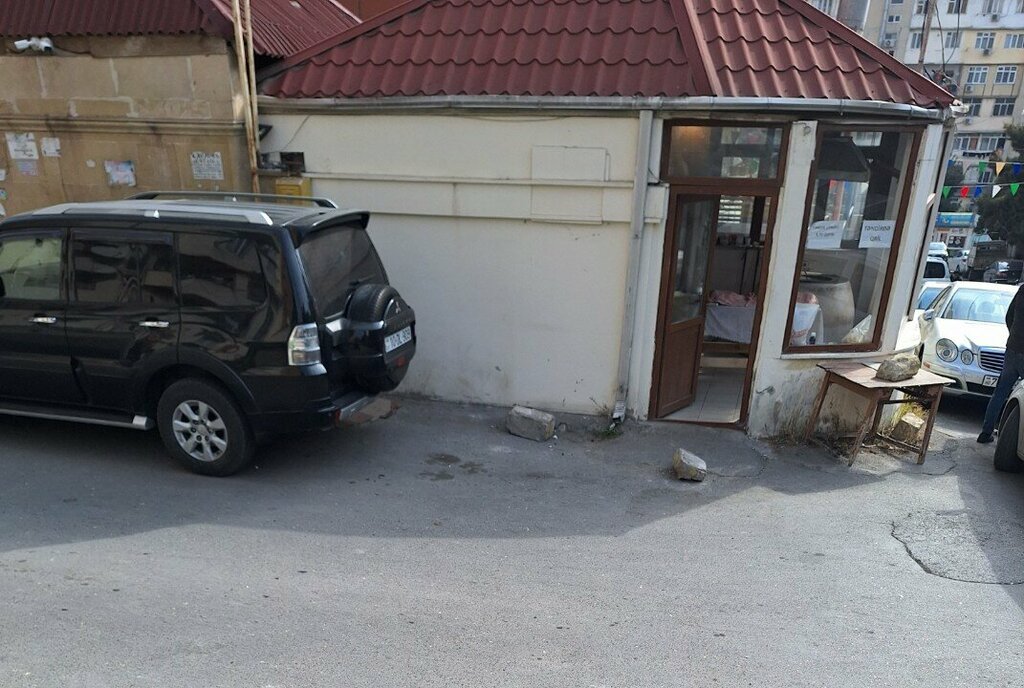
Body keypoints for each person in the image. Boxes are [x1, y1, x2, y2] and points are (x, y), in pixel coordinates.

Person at [979, 283, 1024, 443]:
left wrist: (1015, 335)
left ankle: (986, 432)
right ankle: (1015, 440)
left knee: (1000, 393)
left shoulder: (1023, 289)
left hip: (1012, 348)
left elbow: (1009, 316)